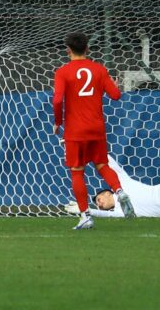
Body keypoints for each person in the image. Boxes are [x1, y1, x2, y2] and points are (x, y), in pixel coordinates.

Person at [53, 32, 136, 230]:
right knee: (102, 165)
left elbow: (57, 100)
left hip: (75, 131)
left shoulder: (63, 72)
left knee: (77, 172)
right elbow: (116, 95)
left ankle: (85, 217)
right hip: (97, 128)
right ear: (88, 49)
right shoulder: (99, 70)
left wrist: (58, 121)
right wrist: (114, 84)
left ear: (68, 50)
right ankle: (119, 191)